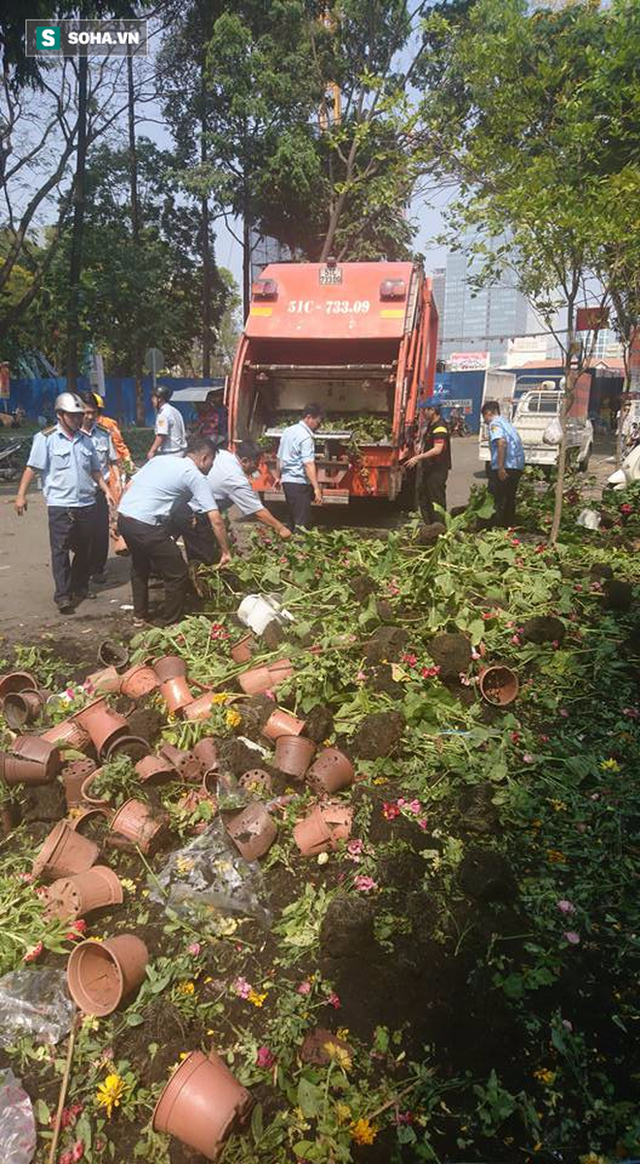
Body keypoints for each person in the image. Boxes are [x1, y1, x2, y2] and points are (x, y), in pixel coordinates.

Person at [14, 392, 116, 614]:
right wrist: (21, 494)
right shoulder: (46, 438)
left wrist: (106, 490)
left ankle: (80, 586)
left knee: (84, 550)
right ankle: (62, 595)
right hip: (60, 504)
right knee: (60, 551)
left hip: (86, 503)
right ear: (60, 415)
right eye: (73, 416)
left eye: (80, 415)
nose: (79, 419)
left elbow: (96, 470)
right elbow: (32, 467)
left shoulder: (86, 440)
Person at [117, 436, 230, 626]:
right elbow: (216, 519)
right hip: (146, 526)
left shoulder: (161, 460)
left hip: (125, 519)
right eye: (212, 461)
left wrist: (116, 524)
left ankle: (140, 615)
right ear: (205, 457)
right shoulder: (193, 475)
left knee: (140, 565)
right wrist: (226, 552)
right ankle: (170, 622)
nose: (212, 467)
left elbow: (129, 486)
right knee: (177, 572)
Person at [171, 440, 292, 563]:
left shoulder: (223, 455)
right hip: (195, 515)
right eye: (255, 463)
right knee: (205, 559)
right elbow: (257, 511)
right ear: (244, 461)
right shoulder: (235, 479)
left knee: (168, 544)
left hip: (178, 504)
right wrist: (280, 528)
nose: (257, 468)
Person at [80, 392, 118, 584]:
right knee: (81, 535)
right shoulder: (72, 436)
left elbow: (113, 461)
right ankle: (82, 569)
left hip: (100, 492)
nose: (89, 416)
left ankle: (98, 568)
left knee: (100, 533)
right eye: (85, 412)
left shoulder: (104, 434)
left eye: (92, 412)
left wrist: (115, 487)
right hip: (78, 494)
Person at [274, 404, 324, 529]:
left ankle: (290, 545)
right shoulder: (306, 436)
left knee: (292, 519)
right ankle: (299, 546)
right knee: (302, 523)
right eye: (317, 422)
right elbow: (308, 464)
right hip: (299, 483)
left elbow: (279, 457)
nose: (318, 426)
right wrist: (316, 488)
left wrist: (278, 477)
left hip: (287, 482)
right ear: (309, 417)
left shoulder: (288, 431)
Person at [404, 401, 451, 523]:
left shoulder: (440, 427)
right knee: (424, 497)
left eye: (425, 410)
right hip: (429, 468)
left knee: (435, 499)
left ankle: (439, 526)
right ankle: (429, 525)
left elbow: (437, 449)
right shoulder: (431, 425)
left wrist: (417, 458)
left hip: (437, 469)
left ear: (433, 410)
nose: (422, 413)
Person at [482, 400, 525, 527]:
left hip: (506, 466)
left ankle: (497, 527)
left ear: (489, 413)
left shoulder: (495, 423)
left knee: (497, 499)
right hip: (516, 465)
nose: (484, 421)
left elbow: (501, 443)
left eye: (484, 416)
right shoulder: (506, 423)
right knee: (509, 498)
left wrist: (500, 468)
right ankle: (509, 526)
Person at [147, 385, 187, 459]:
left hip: (170, 453)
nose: (152, 400)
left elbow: (161, 435)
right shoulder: (174, 410)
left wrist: (152, 451)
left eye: (153, 398)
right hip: (180, 451)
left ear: (160, 399)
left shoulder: (163, 414)